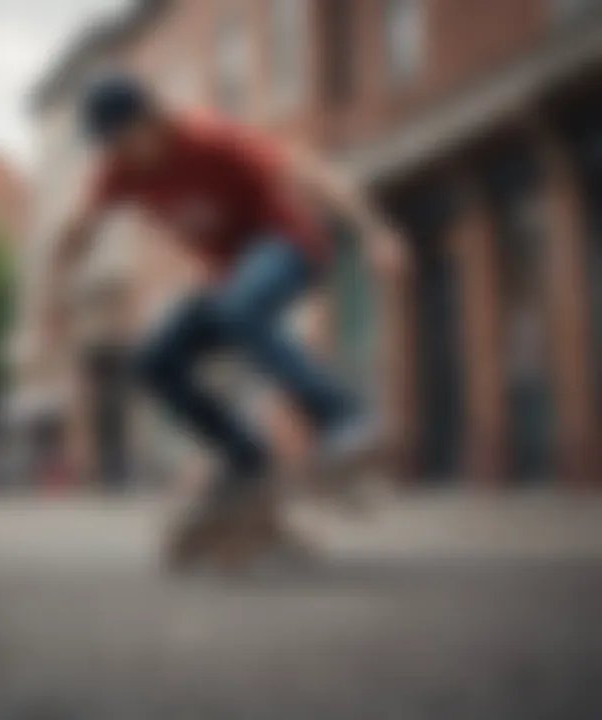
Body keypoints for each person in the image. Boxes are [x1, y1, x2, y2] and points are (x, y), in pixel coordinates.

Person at [45, 75, 406, 569]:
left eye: (123, 140)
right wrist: (55, 298)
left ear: (153, 118)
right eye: (109, 146)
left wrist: (373, 229)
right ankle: (246, 463)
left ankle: (341, 419)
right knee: (154, 358)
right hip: (232, 281)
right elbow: (77, 230)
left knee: (240, 305)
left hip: (291, 249)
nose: (120, 155)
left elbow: (308, 172)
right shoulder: (117, 171)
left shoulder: (208, 137)